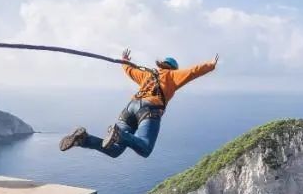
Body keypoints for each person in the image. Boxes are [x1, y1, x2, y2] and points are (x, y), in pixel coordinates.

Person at [59, 49, 218, 158]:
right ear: (173, 68)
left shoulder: (147, 75)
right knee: (145, 148)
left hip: (130, 107)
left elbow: (129, 70)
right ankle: (119, 134)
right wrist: (210, 65)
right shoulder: (172, 75)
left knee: (115, 151)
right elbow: (192, 72)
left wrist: (125, 61)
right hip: (149, 109)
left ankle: (83, 139)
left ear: (161, 64)